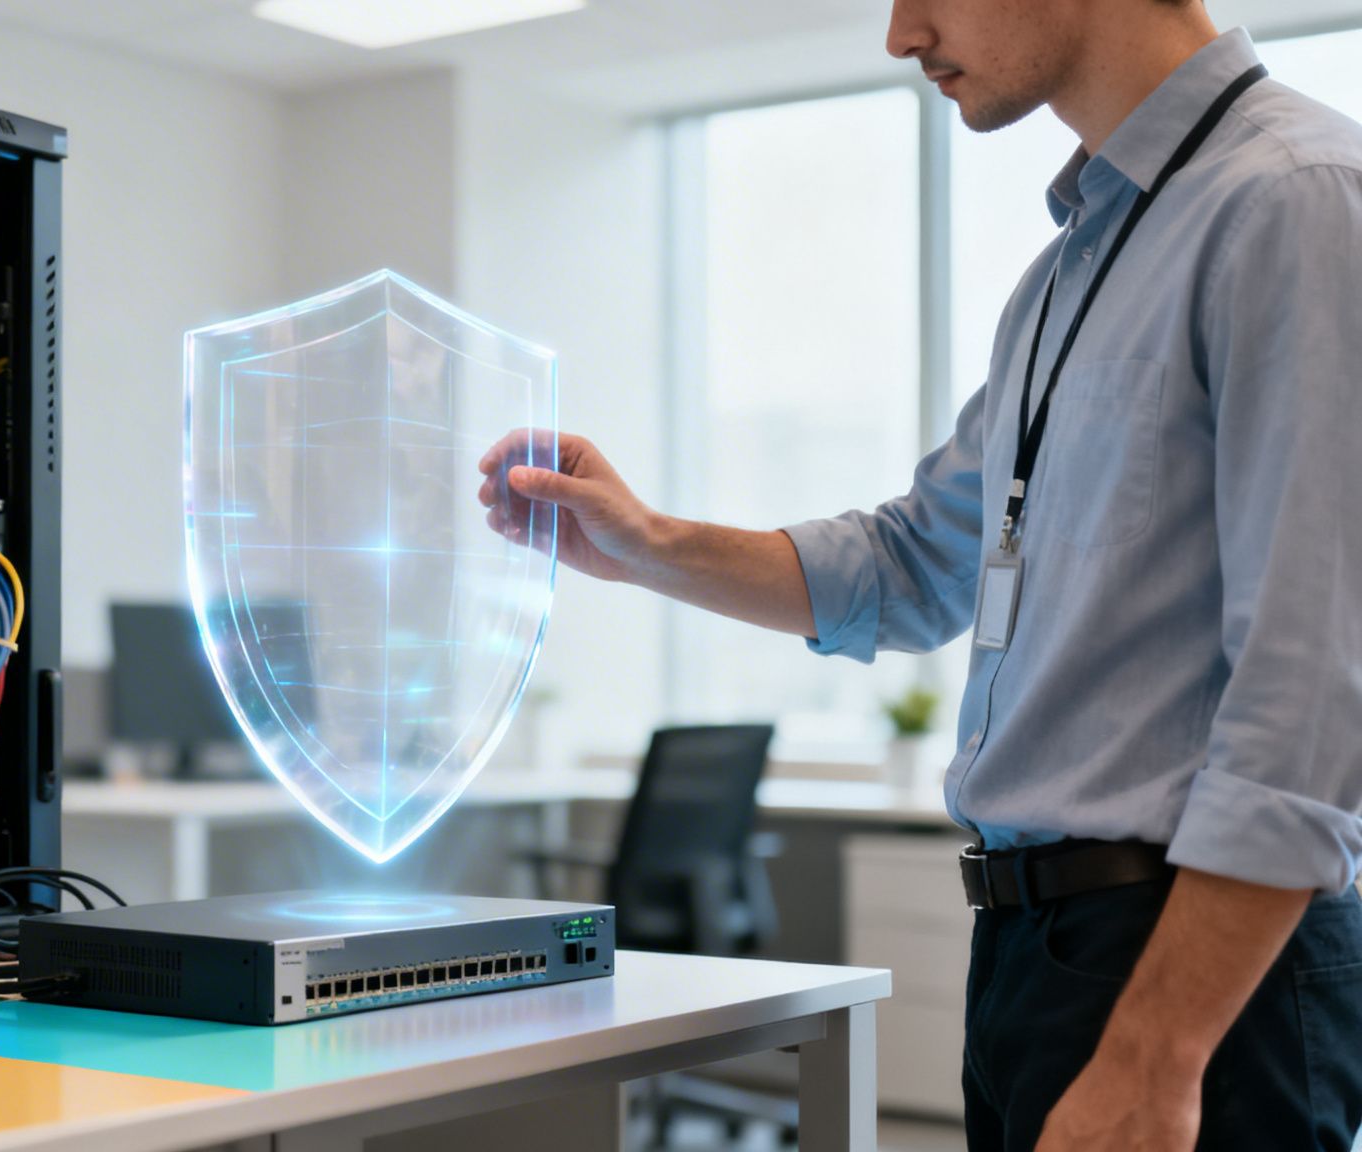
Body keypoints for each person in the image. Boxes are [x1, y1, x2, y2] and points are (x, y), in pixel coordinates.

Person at [478, 0, 1362, 1148]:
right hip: (1036, 961)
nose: (900, 35)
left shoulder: (1294, 201)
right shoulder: (1067, 274)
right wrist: (646, 543)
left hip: (1185, 979)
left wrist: (1156, 1056)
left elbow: (1312, 689)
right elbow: (910, 564)